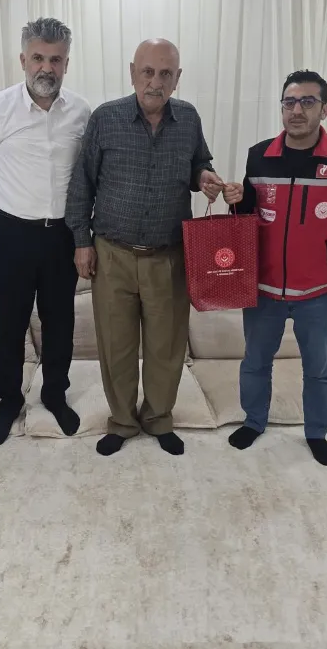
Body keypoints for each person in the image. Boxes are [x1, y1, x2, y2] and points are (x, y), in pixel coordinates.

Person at [65, 38, 242, 457]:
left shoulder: (189, 118)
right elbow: (82, 183)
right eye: (148, 71)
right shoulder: (106, 118)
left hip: (169, 256)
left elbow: (200, 163)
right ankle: (123, 422)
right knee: (117, 346)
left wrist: (205, 177)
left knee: (167, 345)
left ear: (177, 78)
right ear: (133, 73)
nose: (155, 82)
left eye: (165, 74)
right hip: (112, 253)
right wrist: (81, 243)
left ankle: (159, 418)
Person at [226, 70, 327, 466]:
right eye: (289, 102)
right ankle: (254, 421)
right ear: (282, 108)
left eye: (308, 102)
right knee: (255, 362)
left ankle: (316, 432)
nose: (297, 110)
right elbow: (246, 217)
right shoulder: (259, 155)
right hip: (264, 287)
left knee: (320, 369)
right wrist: (235, 200)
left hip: (320, 290)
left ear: (324, 109)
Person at [0, 17, 91, 446]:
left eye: (55, 59)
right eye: (38, 57)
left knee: (60, 320)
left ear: (66, 63)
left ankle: (54, 394)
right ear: (23, 60)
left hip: (61, 236)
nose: (46, 68)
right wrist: (8, 202)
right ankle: (8, 401)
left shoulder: (81, 112)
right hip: (9, 233)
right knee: (10, 321)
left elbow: (84, 177)